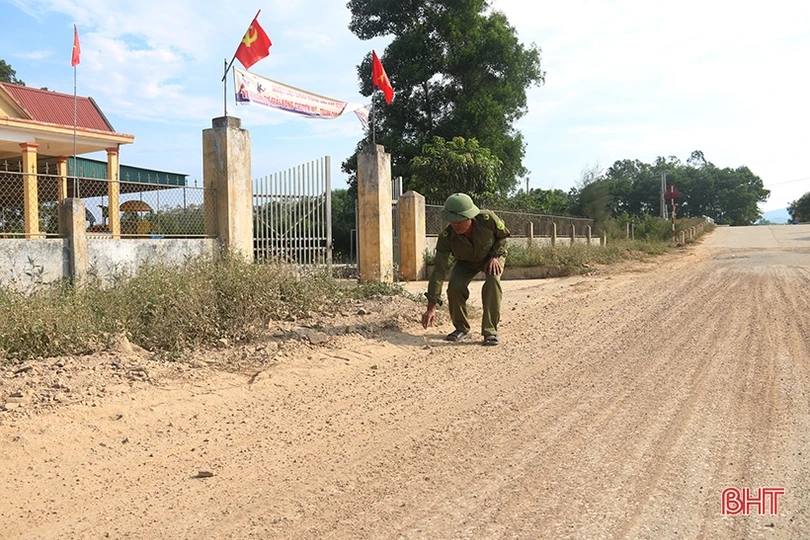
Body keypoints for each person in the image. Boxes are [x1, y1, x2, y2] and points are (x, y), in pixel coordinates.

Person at [421, 193, 510, 346]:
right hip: (466, 262)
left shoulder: (487, 219)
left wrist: (495, 256)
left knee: (492, 281)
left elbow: (503, 236)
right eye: (452, 221)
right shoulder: (446, 237)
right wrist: (431, 307)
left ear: (470, 216)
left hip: (491, 256)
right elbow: (438, 271)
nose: (455, 225)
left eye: (460, 221)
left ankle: (490, 331)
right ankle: (461, 328)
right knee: (455, 286)